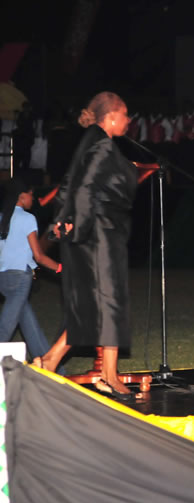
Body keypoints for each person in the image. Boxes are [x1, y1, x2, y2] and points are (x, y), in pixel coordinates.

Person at [34, 91, 141, 401]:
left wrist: (62, 223)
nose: (128, 120)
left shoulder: (92, 140)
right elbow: (83, 189)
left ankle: (52, 360)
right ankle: (107, 375)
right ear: (110, 117)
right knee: (109, 301)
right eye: (124, 115)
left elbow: (68, 183)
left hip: (93, 233)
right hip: (98, 235)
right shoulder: (102, 145)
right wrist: (76, 230)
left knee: (94, 305)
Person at [0, 176, 61, 361]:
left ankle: (51, 366)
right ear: (21, 196)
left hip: (3, 279)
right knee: (5, 329)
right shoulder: (27, 218)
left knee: (29, 325)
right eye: (31, 195)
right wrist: (61, 268)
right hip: (19, 280)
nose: (33, 199)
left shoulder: (2, 217)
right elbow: (39, 255)